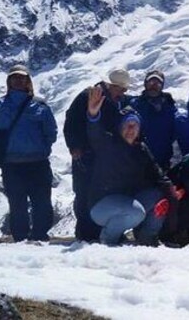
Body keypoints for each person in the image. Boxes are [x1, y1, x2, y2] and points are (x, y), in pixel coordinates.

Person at [0, 65, 57, 242]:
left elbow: (50, 131)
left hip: (37, 161)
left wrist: (44, 150)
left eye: (22, 78)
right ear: (9, 81)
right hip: (12, 163)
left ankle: (40, 237)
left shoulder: (40, 105)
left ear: (28, 81)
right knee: (17, 204)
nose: (18, 80)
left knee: (42, 202)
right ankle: (21, 239)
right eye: (15, 78)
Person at [86, 92, 174, 246]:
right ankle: (108, 240)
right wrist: (93, 115)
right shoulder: (108, 144)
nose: (131, 129)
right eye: (127, 125)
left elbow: (157, 173)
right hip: (101, 205)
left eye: (135, 125)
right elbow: (95, 134)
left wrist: (171, 191)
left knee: (160, 196)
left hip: (126, 201)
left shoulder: (141, 149)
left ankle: (147, 237)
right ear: (120, 127)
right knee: (137, 212)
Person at [63, 68, 131, 242]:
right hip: (85, 155)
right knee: (84, 193)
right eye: (121, 88)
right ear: (111, 85)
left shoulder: (115, 101)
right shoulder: (88, 96)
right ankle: (85, 234)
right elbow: (71, 122)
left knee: (103, 194)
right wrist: (74, 146)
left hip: (103, 157)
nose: (123, 92)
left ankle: (102, 231)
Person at [129, 70, 177, 170]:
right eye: (151, 82)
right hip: (138, 161)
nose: (154, 86)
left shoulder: (169, 106)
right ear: (145, 84)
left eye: (158, 83)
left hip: (162, 161)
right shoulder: (135, 105)